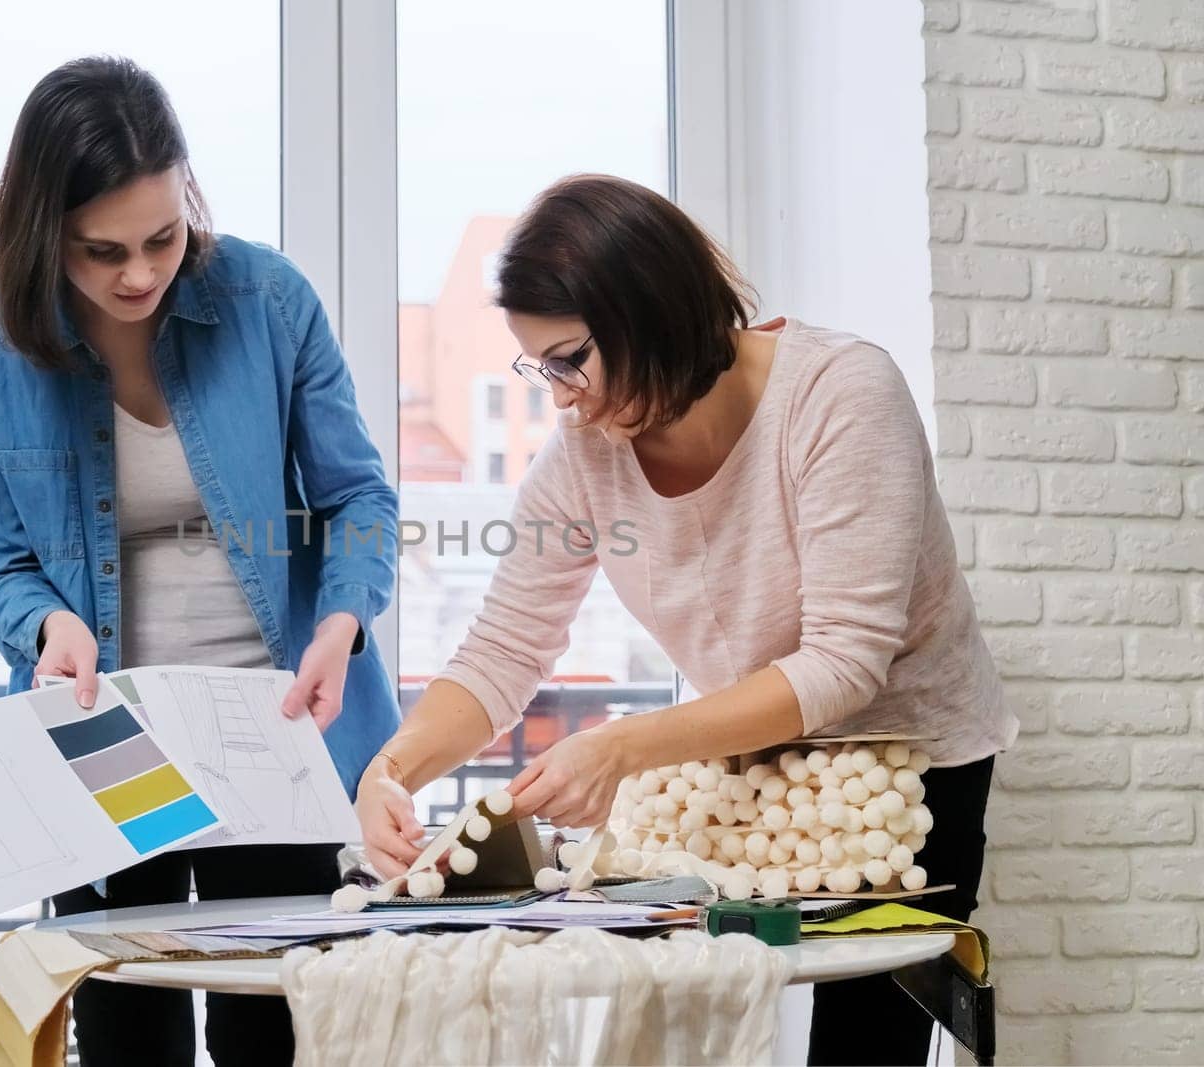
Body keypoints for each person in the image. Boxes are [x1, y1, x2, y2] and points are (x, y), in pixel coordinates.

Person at [355, 174, 1015, 1067]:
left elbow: (843, 664)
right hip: (762, 765)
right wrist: (392, 766)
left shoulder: (840, 396)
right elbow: (504, 647)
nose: (561, 396)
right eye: (538, 366)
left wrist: (625, 747)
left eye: (570, 359)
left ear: (652, 311)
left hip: (912, 764)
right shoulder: (586, 454)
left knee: (865, 1038)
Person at [0, 56, 399, 1067]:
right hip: (110, 741)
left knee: (267, 1020)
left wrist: (341, 622)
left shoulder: (268, 300)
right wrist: (48, 627)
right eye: (101, 251)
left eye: (161, 236)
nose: (139, 273)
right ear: (40, 234)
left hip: (278, 727)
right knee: (124, 1023)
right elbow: (3, 563)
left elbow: (357, 495)